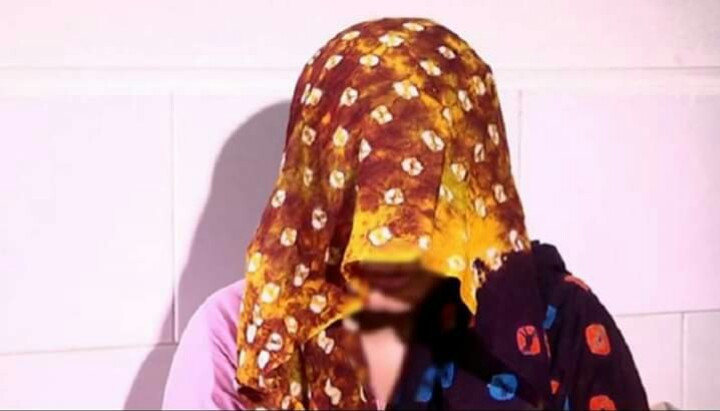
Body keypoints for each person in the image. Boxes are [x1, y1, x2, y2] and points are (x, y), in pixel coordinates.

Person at [163, 17, 648, 410]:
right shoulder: (240, 337)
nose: (402, 197)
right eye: (373, 156)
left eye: (435, 157)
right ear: (316, 171)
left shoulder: (556, 319)